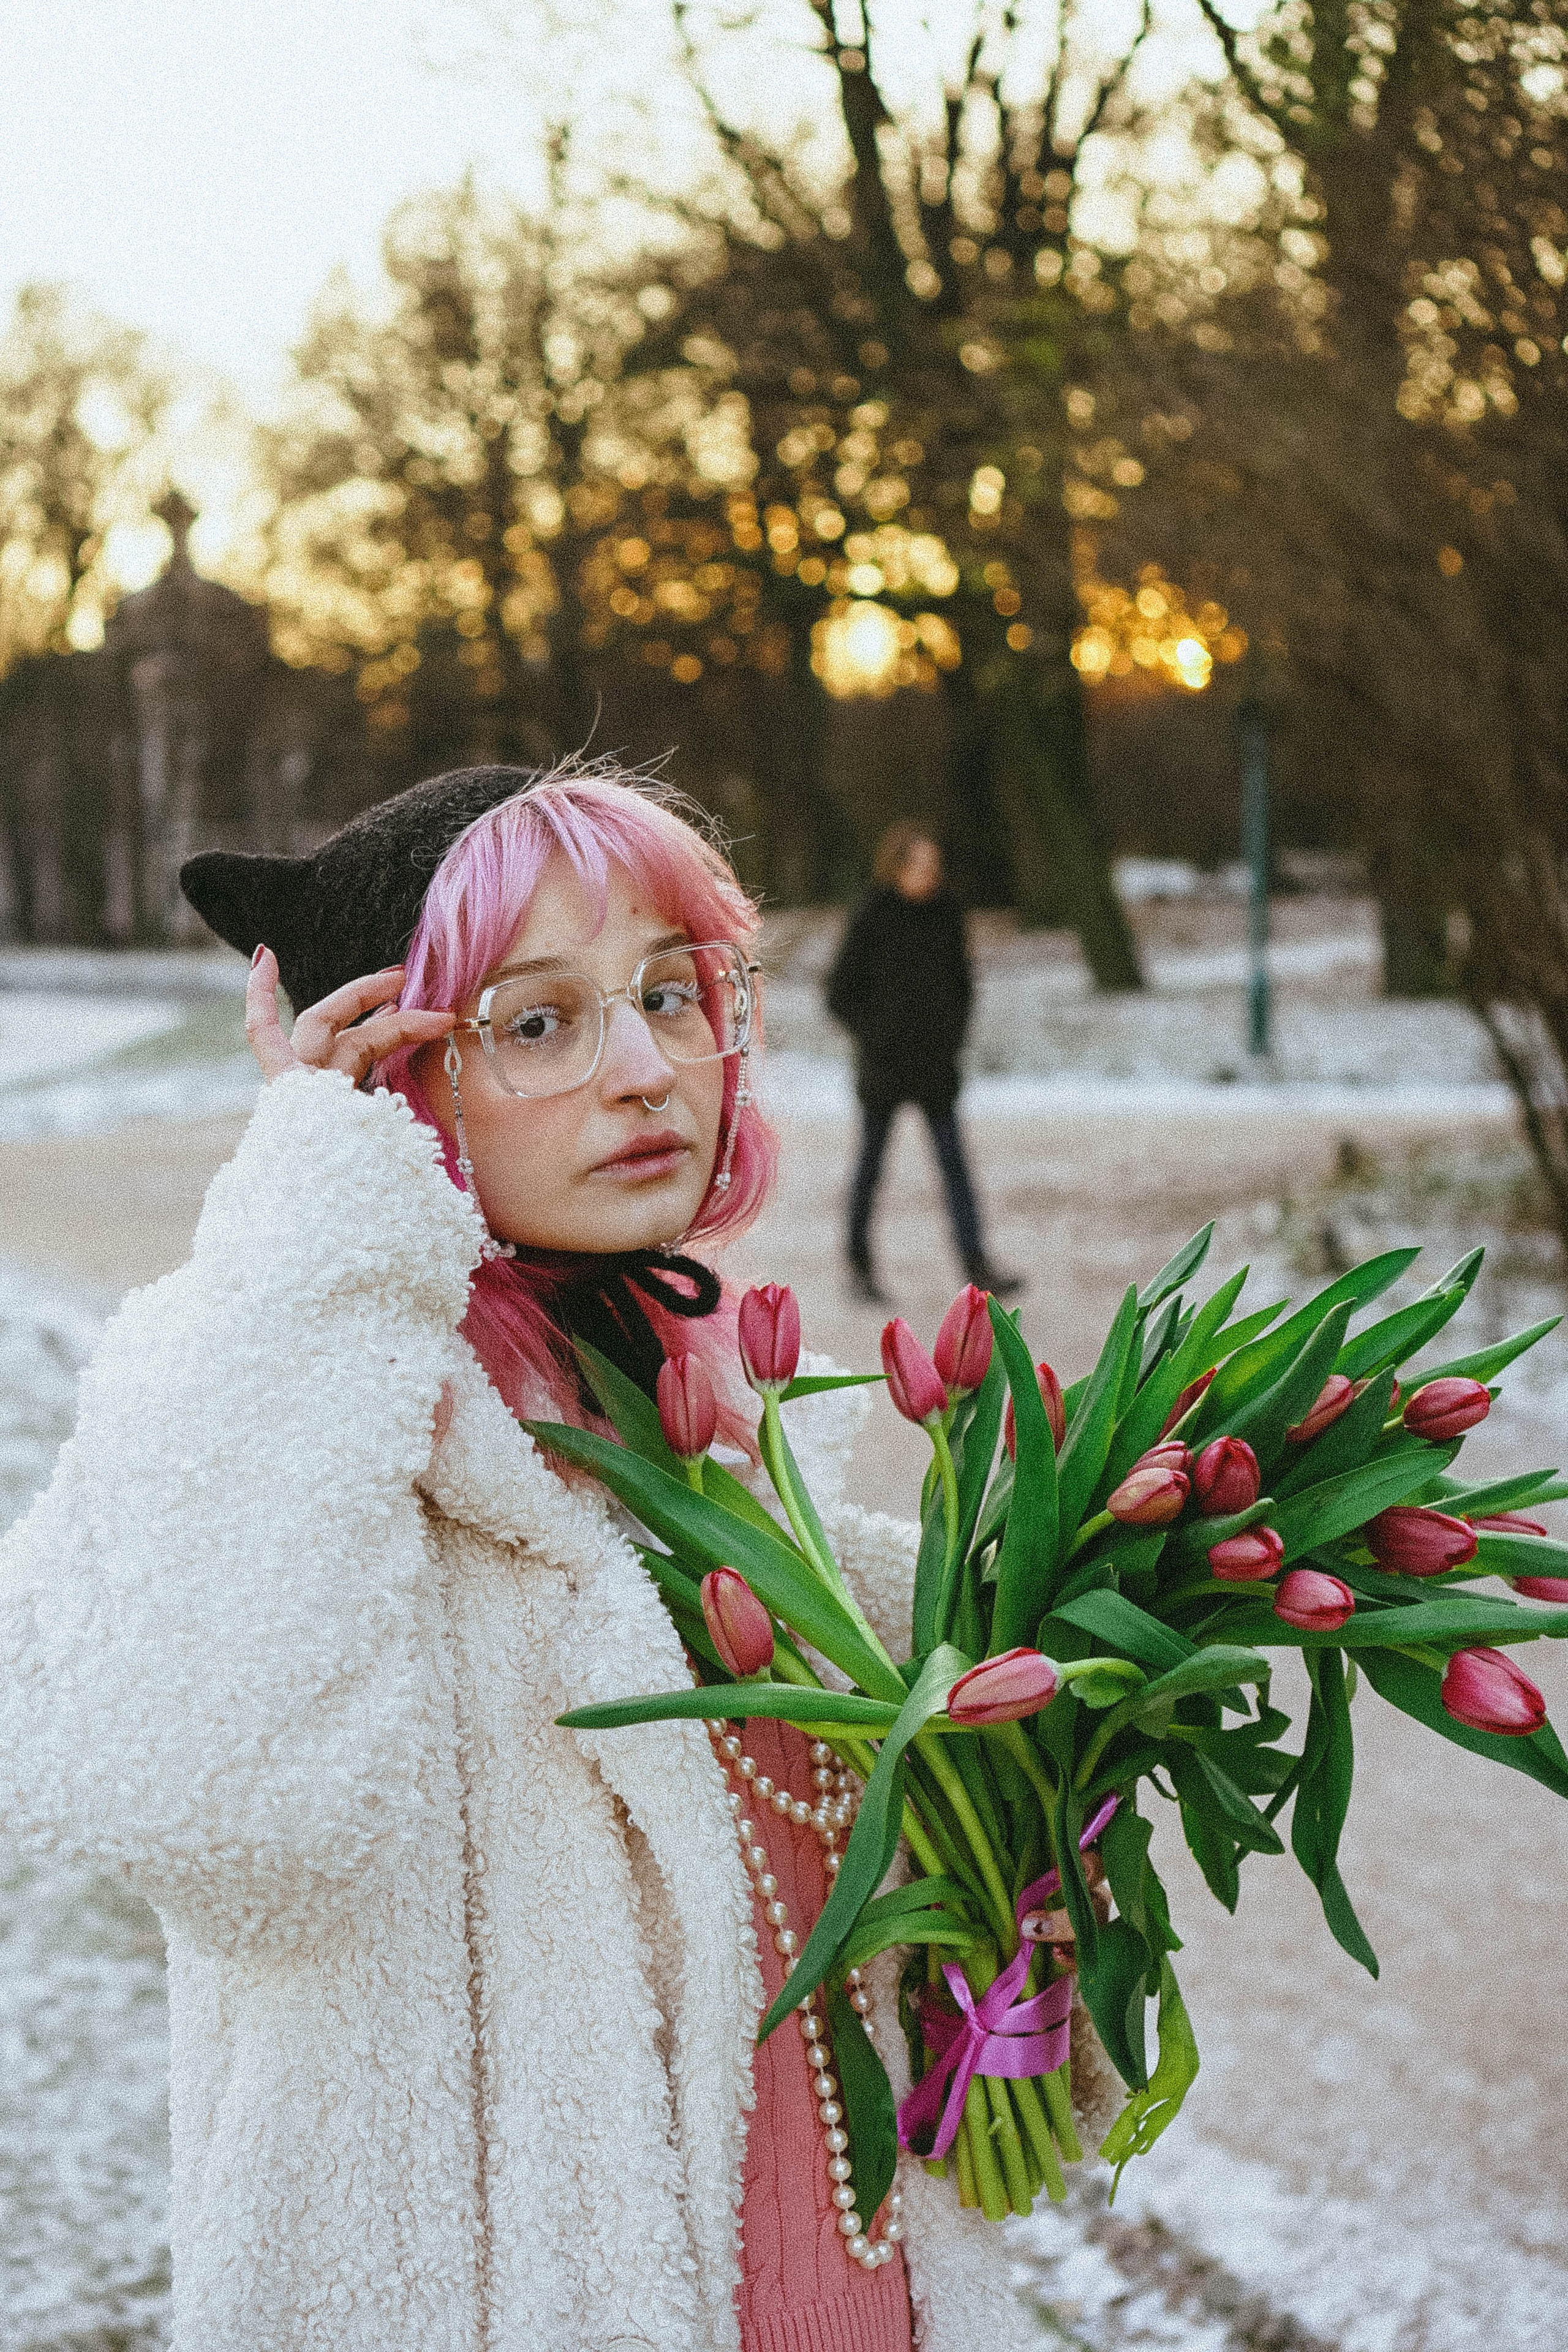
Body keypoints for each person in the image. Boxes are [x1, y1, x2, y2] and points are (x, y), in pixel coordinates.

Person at [0, 761, 1045, 2352]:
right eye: (539, 1022)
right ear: (384, 1083)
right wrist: (317, 1206)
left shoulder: (698, 1420)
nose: (646, 1070)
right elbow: (211, 1810)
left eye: (674, 993)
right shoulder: (270, 1408)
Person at [825, 821, 1020, 1305]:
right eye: (920, 865)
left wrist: (951, 1037)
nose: (930, 875)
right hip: (884, 1068)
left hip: (935, 1068)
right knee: (871, 1167)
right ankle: (859, 1264)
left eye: (935, 866)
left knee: (955, 1166)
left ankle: (977, 1264)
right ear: (896, 868)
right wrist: (876, 1035)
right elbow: (838, 992)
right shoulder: (871, 915)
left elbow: (962, 986)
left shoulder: (947, 914)